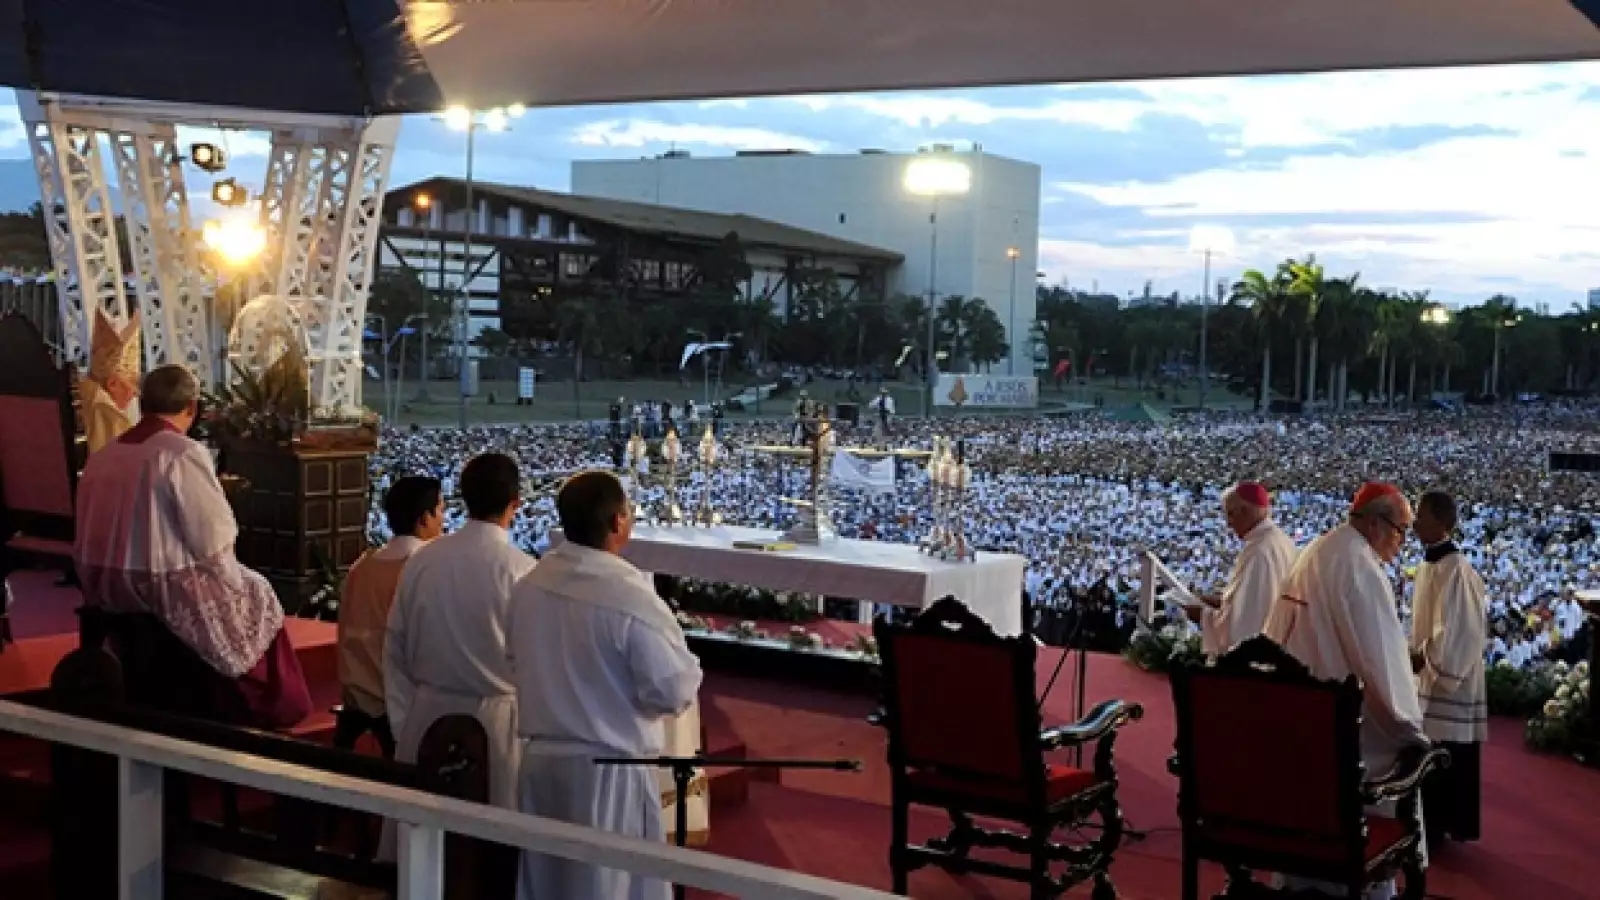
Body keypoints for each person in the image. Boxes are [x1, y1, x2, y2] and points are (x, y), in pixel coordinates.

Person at [74, 364, 312, 727]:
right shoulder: (180, 452)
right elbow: (211, 539)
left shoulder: (104, 454)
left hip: (102, 583)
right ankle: (259, 706)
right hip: (159, 588)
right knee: (257, 591)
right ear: (192, 407)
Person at [510, 470, 703, 900]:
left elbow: (514, 660)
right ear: (617, 522)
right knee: (605, 888)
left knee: (547, 886)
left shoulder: (528, 586)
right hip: (608, 772)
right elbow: (671, 691)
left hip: (542, 765)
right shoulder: (629, 595)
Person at [1263, 481, 1429, 900]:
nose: (1402, 542)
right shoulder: (1360, 568)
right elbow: (1379, 664)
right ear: (1375, 523)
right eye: (1400, 531)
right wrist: (1409, 729)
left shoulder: (1317, 550)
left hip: (1297, 718)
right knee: (1401, 753)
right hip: (1345, 732)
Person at [384, 452, 534, 809]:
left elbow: (395, 648)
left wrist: (404, 724)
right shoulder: (522, 571)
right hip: (498, 725)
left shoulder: (422, 561)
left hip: (429, 715)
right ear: (516, 503)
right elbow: (536, 661)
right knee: (492, 832)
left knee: (425, 829)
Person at [335, 475, 443, 757]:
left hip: (357, 687)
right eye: (440, 511)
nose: (443, 521)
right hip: (400, 696)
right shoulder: (425, 568)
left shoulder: (363, 565)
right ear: (425, 518)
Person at [1409, 490, 1487, 843]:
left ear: (1441, 521)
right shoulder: (1429, 565)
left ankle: (1443, 826)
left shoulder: (1456, 570)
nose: (1415, 523)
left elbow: (1460, 631)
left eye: (1421, 515)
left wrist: (1425, 656)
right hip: (1429, 673)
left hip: (1448, 679)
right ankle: (1430, 823)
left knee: (1447, 753)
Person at [1187, 481, 1295, 656]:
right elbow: (1257, 600)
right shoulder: (1279, 541)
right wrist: (1220, 601)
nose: (1229, 524)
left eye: (1231, 514)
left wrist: (1203, 616)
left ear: (1245, 512)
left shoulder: (1259, 551)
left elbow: (1246, 625)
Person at [78, 309, 142, 454]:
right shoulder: (107, 412)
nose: (133, 395)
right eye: (131, 387)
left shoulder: (84, 392)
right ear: (112, 384)